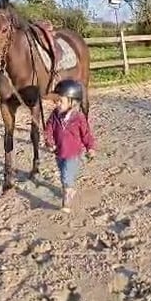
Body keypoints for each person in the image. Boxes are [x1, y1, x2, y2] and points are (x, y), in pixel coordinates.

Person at [44, 79, 96, 212]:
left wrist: (90, 147)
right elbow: (48, 129)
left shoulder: (79, 118)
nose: (57, 103)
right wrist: (49, 142)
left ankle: (67, 198)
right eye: (56, 101)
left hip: (73, 153)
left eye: (61, 101)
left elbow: (86, 134)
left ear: (72, 102)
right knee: (63, 173)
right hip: (59, 152)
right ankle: (69, 188)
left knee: (66, 175)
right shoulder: (55, 115)